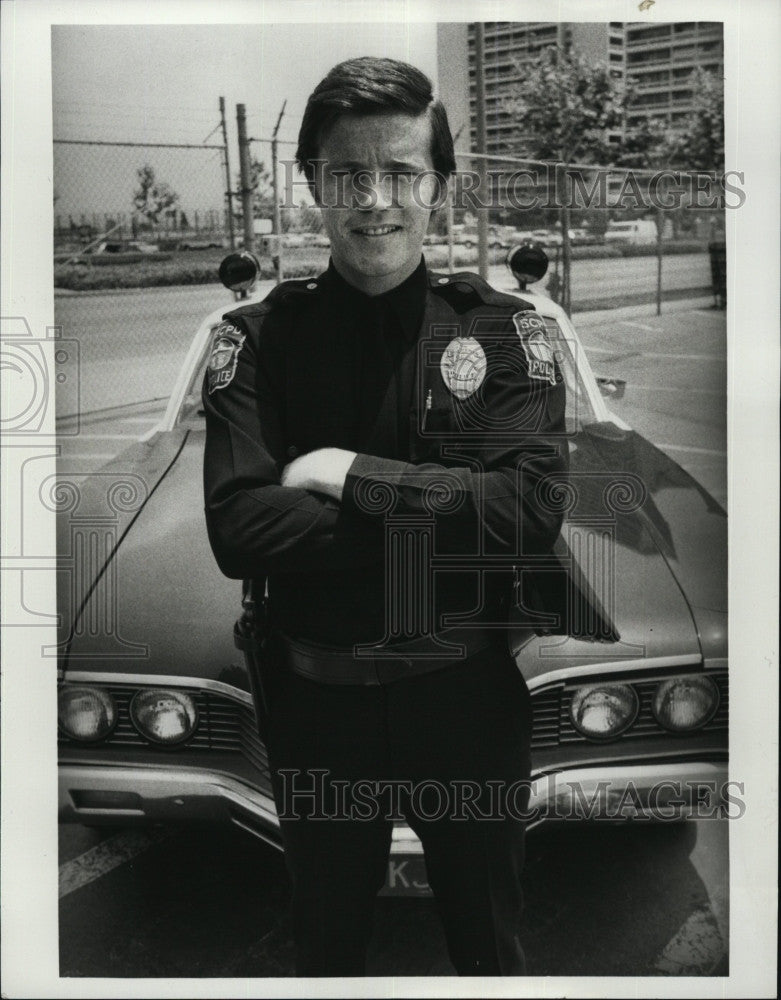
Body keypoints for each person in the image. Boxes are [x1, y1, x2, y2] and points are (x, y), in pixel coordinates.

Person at [202, 56, 568, 977]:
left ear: (439, 186)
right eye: (347, 174)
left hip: (466, 698)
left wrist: (342, 472)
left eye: (402, 172)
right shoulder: (255, 339)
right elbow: (240, 529)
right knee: (327, 949)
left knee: (488, 946)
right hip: (317, 702)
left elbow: (530, 509)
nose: (375, 199)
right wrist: (443, 503)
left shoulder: (503, 332)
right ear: (313, 186)